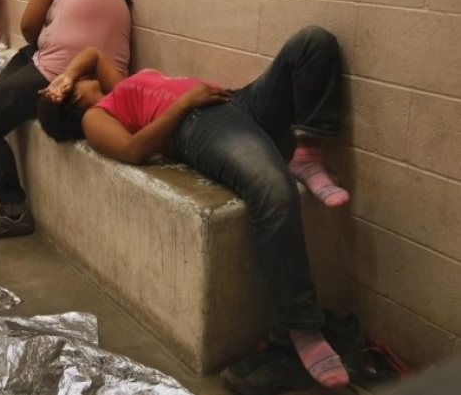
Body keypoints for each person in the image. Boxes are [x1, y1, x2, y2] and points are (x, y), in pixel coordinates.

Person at [38, 26, 351, 389]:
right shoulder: (95, 117)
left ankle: (308, 154)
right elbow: (133, 150)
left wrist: (66, 75)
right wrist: (184, 104)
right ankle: (302, 325)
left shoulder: (113, 87)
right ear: (73, 102)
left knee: (313, 43)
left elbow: (91, 50)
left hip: (233, 102)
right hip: (198, 122)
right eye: (79, 83)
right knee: (274, 190)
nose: (89, 77)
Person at [0, 0, 133, 239]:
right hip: (107, 83)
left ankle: (13, 211)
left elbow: (29, 26)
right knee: (27, 55)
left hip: (60, 76)